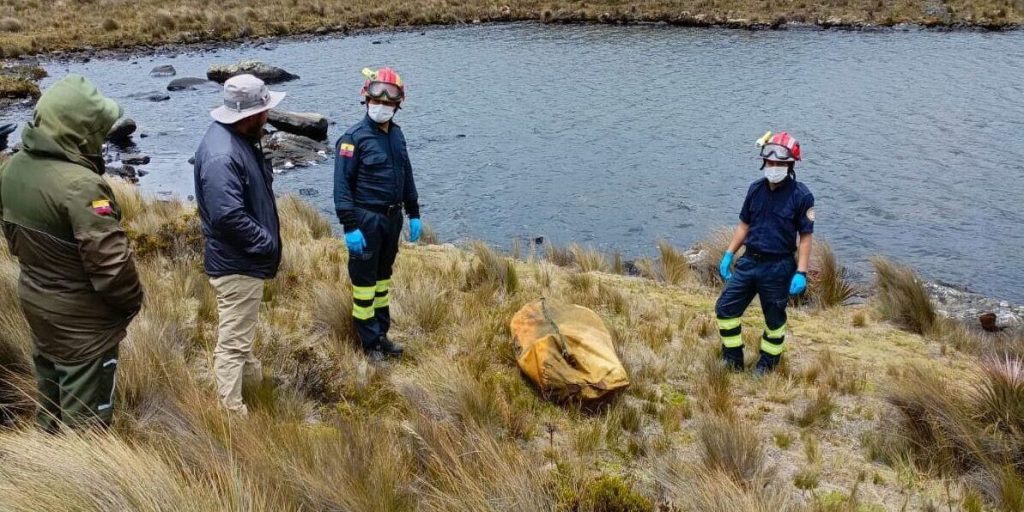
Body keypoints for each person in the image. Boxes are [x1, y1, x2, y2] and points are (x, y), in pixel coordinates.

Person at [0, 74, 143, 431]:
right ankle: (75, 485)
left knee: (50, 408)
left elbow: (13, 238)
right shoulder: (81, 186)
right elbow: (112, 266)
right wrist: (131, 304)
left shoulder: (12, 169)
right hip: (83, 328)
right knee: (87, 428)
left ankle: (48, 474)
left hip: (39, 306)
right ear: (81, 132)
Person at [194, 74, 285, 416]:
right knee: (232, 345)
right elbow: (227, 216)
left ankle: (253, 387)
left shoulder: (235, 140)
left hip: (239, 261)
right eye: (264, 110)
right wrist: (266, 244)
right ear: (249, 115)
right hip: (238, 264)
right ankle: (231, 414)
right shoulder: (223, 155)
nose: (268, 116)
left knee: (240, 337)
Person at [334, 67, 422, 360]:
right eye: (377, 99)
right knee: (364, 285)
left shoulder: (397, 136)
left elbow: (406, 174)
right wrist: (349, 226)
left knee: (382, 280)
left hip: (392, 219)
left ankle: (382, 334)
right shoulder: (352, 139)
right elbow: (341, 186)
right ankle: (369, 342)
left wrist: (414, 212)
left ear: (398, 104)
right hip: (365, 220)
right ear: (366, 99)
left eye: (389, 101)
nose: (382, 105)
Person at [715, 131, 815, 375]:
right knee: (725, 309)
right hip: (749, 262)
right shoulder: (755, 189)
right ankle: (732, 359)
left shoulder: (801, 196)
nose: (773, 167)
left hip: (779, 267)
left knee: (774, 322)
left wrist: (801, 272)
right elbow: (744, 226)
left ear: (789, 165)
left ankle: (767, 365)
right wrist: (729, 254)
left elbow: (805, 238)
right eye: (770, 163)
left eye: (779, 163)